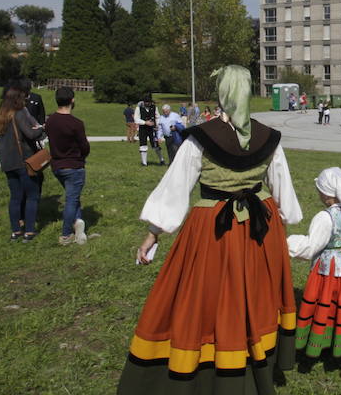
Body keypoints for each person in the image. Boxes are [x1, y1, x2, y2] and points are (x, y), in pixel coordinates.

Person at [118, 65, 303, 393]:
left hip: (214, 230)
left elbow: (177, 187)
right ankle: (252, 361)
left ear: (221, 95)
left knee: (208, 298)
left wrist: (153, 233)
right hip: (262, 227)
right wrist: (283, 224)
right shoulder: (268, 138)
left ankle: (212, 366)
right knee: (253, 297)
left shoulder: (201, 138)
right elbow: (283, 190)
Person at [287, 167, 341, 382]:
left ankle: (321, 347)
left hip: (330, 274)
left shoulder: (325, 217)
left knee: (325, 307)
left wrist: (285, 242)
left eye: (319, 191)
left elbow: (310, 247)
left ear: (326, 195)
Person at [0, 87, 45, 242]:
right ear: (18, 99)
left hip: (8, 163)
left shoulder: (0, 116)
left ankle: (16, 231)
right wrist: (41, 129)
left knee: (15, 197)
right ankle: (29, 231)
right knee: (32, 196)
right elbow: (30, 134)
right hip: (24, 161)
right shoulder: (20, 113)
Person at [45, 86, 90, 245]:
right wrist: (81, 156)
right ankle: (65, 235)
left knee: (73, 197)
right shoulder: (76, 123)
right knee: (71, 200)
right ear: (72, 100)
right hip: (73, 166)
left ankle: (79, 228)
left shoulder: (50, 121)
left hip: (57, 166)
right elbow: (84, 147)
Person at [135, 95, 165, 166]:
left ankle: (161, 160)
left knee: (156, 145)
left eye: (149, 102)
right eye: (146, 102)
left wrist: (157, 124)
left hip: (152, 129)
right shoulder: (139, 108)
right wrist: (145, 122)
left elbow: (158, 117)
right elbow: (136, 119)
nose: (147, 103)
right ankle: (144, 163)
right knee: (143, 145)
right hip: (143, 129)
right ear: (144, 102)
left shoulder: (154, 107)